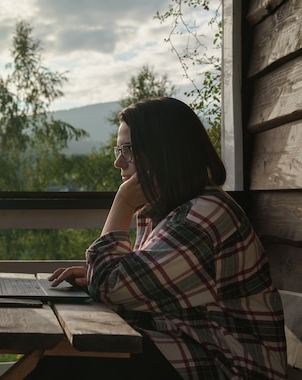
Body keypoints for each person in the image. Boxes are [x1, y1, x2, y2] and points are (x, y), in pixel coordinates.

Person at [26, 97, 287, 379]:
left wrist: (123, 204)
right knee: (67, 357)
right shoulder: (174, 213)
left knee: (77, 361)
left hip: (229, 369)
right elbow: (132, 293)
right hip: (196, 352)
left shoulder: (203, 218)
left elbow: (112, 286)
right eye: (119, 149)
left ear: (165, 152)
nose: (118, 162)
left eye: (128, 150)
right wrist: (100, 278)